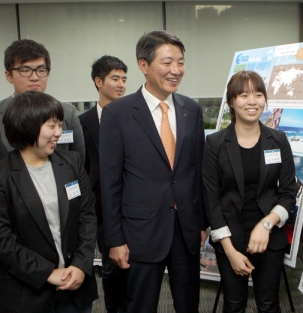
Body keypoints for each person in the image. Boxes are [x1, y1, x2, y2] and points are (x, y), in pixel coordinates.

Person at [99, 30, 207, 313]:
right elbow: (109, 183)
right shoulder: (117, 114)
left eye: (180, 62)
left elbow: (197, 172)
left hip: (186, 231)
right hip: (139, 233)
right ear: (143, 65)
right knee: (140, 306)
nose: (176, 70)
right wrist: (115, 239)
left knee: (189, 305)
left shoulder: (192, 110)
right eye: (167, 62)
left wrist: (200, 223)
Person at [202, 70, 297, 312]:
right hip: (229, 238)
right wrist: (230, 251)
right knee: (234, 305)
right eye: (244, 95)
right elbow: (211, 202)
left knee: (268, 304)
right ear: (232, 102)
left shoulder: (278, 140)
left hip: (269, 238)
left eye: (258, 94)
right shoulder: (215, 144)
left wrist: (266, 225)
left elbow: (288, 193)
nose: (252, 101)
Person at [0, 91, 97, 312]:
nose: (58, 133)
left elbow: (87, 216)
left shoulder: (71, 163)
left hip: (76, 289)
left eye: (60, 125)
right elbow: (4, 241)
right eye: (51, 126)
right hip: (28, 294)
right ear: (27, 126)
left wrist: (81, 265)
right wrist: (48, 273)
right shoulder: (4, 175)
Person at [78, 55, 128, 313]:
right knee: (110, 266)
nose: (121, 85)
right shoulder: (82, 122)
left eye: (124, 79)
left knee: (136, 265)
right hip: (99, 208)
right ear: (98, 82)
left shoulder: (133, 117)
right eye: (114, 79)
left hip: (133, 205)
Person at [0, 39, 85, 161]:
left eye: (41, 70)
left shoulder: (67, 112)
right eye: (25, 70)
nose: (34, 77)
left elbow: (78, 161)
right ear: (8, 76)